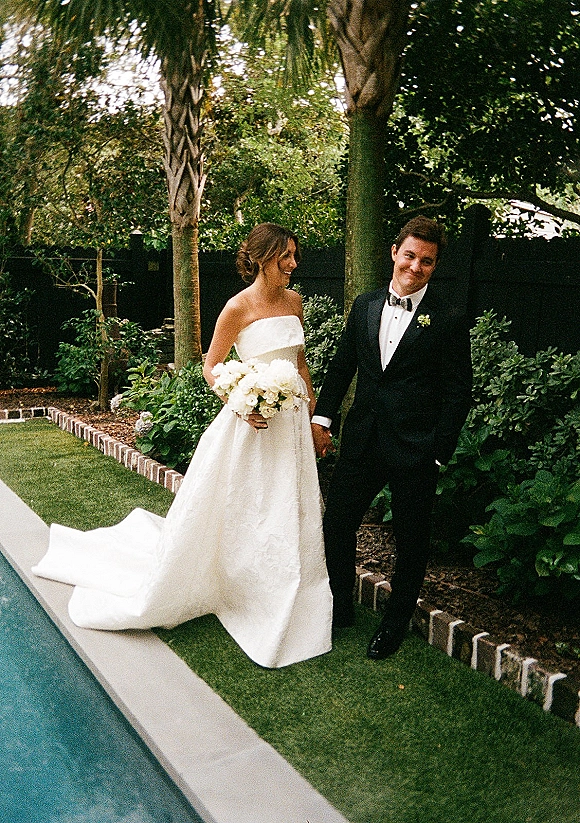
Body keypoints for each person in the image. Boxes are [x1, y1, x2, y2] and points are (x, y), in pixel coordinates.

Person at [33, 223, 333, 669]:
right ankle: (240, 585)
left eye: (294, 256)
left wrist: (311, 418)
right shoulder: (237, 307)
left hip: (291, 424)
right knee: (252, 506)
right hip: (250, 424)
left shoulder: (295, 302)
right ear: (262, 258)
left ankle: (288, 589)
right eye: (285, 256)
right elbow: (212, 367)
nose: (293, 265)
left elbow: (299, 363)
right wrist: (241, 399)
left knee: (290, 506)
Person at [311, 216, 472, 659]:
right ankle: (340, 607)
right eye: (410, 255)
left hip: (415, 450)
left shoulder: (450, 317)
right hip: (362, 440)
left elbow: (460, 391)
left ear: (435, 266)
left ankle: (394, 623)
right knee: (337, 525)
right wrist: (322, 420)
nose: (416, 267)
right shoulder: (364, 305)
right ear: (394, 252)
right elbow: (343, 366)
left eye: (427, 261)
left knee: (411, 540)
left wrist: (438, 452)